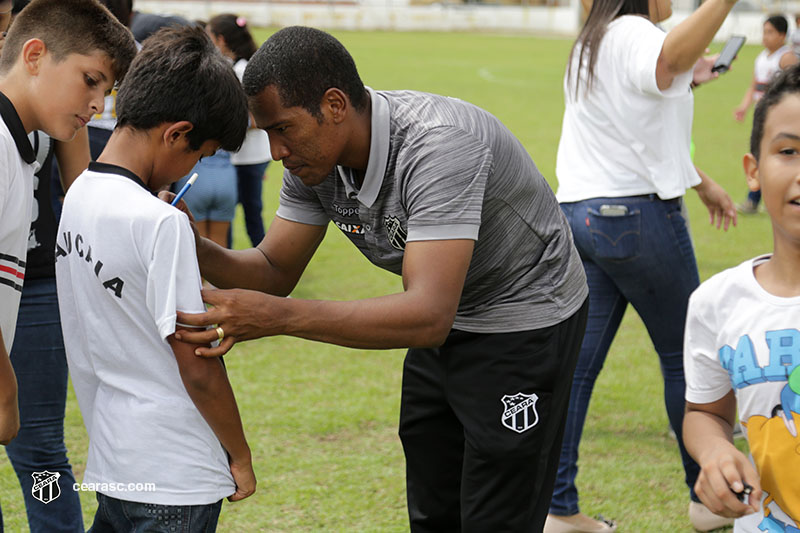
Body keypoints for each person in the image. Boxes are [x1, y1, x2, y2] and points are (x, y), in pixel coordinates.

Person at [172, 25, 589, 532]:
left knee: (496, 507)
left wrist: (277, 318)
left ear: (335, 105)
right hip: (446, 313)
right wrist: (194, 246)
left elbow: (428, 316)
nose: (277, 152)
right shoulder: (315, 163)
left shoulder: (440, 146)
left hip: (523, 317)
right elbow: (274, 270)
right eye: (268, 135)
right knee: (433, 503)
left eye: (283, 129)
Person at [548, 0, 740, 530]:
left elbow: (639, 126)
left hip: (582, 218)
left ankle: (558, 510)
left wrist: (702, 183)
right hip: (635, 218)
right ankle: (707, 498)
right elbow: (669, 54)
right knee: (689, 361)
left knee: (576, 371)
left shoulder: (593, 40)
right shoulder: (634, 32)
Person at [54, 26, 254, 531]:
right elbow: (199, 364)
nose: (191, 168)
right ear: (176, 133)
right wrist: (241, 454)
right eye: (199, 155)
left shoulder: (77, 195)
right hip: (175, 474)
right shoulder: (160, 224)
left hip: (115, 462)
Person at [0, 1, 134, 531]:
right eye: (91, 82)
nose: (98, 106)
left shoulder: (35, 123)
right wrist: (6, 385)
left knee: (41, 453)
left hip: (32, 287)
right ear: (34, 53)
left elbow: (83, 190)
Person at [683, 64, 800, 533]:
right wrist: (714, 451)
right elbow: (705, 413)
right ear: (753, 170)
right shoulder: (717, 302)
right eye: (789, 150)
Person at [207, 13, 271, 247]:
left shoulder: (244, 71)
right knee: (231, 213)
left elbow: (259, 117)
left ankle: (265, 264)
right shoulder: (231, 67)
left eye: (210, 36)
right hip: (239, 157)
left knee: (249, 213)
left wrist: (223, 123)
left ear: (221, 39)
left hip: (249, 158)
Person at [734, 15, 797, 215]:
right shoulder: (760, 58)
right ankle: (758, 199)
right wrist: (744, 106)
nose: (765, 37)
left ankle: (755, 200)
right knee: (763, 155)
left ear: (782, 35)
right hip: (762, 116)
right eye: (764, 31)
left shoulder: (786, 57)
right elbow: (754, 86)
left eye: (770, 32)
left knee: (769, 155)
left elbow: (794, 86)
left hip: (780, 119)